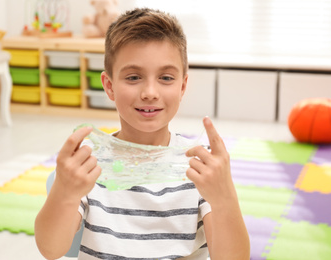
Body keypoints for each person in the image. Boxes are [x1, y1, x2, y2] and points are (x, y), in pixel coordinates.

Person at [35, 8, 250, 260]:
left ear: (182, 86)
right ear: (109, 86)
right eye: (134, 77)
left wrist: (225, 199)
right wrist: (64, 192)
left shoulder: (198, 168)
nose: (150, 92)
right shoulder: (90, 165)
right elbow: (51, 250)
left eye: (166, 77)